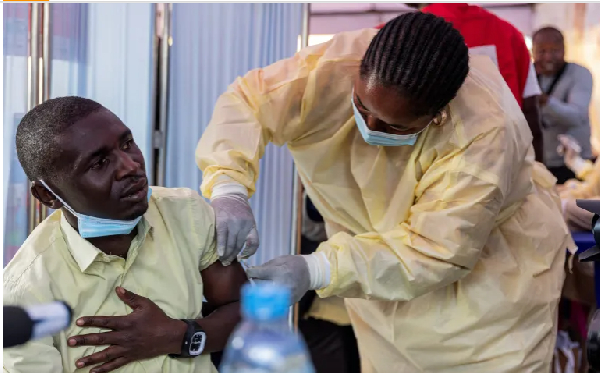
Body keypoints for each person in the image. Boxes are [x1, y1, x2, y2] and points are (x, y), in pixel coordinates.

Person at [196, 12, 574, 372]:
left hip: (490, 295)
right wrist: (228, 186)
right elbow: (247, 102)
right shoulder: (334, 65)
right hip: (378, 278)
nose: (368, 126)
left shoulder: (485, 131)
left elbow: (437, 250)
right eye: (360, 104)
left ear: (437, 114)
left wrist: (318, 268)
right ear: (359, 70)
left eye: (394, 127)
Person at [4, 96, 247, 373]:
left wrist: (178, 337)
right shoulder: (25, 293)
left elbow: (247, 312)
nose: (131, 167)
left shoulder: (185, 214)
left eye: (127, 144)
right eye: (99, 163)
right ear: (48, 195)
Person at [380, 3, 544, 163]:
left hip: (424, 171)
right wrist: (538, 174)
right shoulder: (509, 35)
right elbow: (530, 114)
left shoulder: (390, 36)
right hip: (501, 168)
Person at [533, 26, 594, 184]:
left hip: (573, 165)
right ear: (533, 51)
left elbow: (576, 116)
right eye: (541, 51)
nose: (548, 57)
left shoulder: (579, 74)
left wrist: (544, 100)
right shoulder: (528, 74)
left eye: (555, 50)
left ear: (564, 49)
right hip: (538, 163)